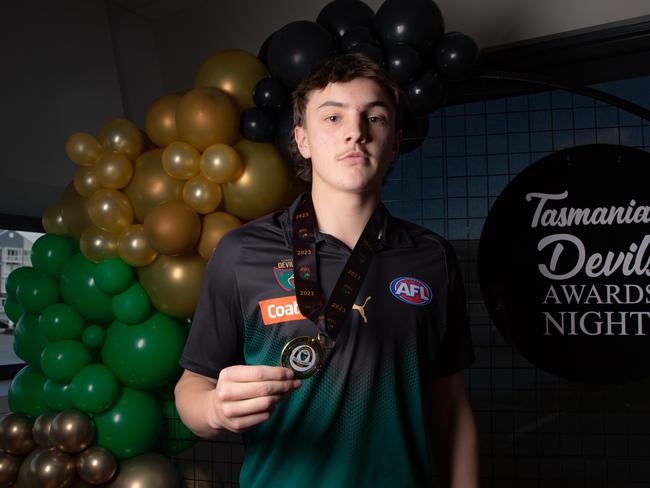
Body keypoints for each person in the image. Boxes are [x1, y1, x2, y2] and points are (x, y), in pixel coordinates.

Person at [175, 53, 478, 487]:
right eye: (332, 118)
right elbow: (192, 386)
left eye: (374, 117)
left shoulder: (433, 256)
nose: (355, 132)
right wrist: (213, 410)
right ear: (302, 140)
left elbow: (449, 407)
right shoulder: (241, 252)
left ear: (394, 140)